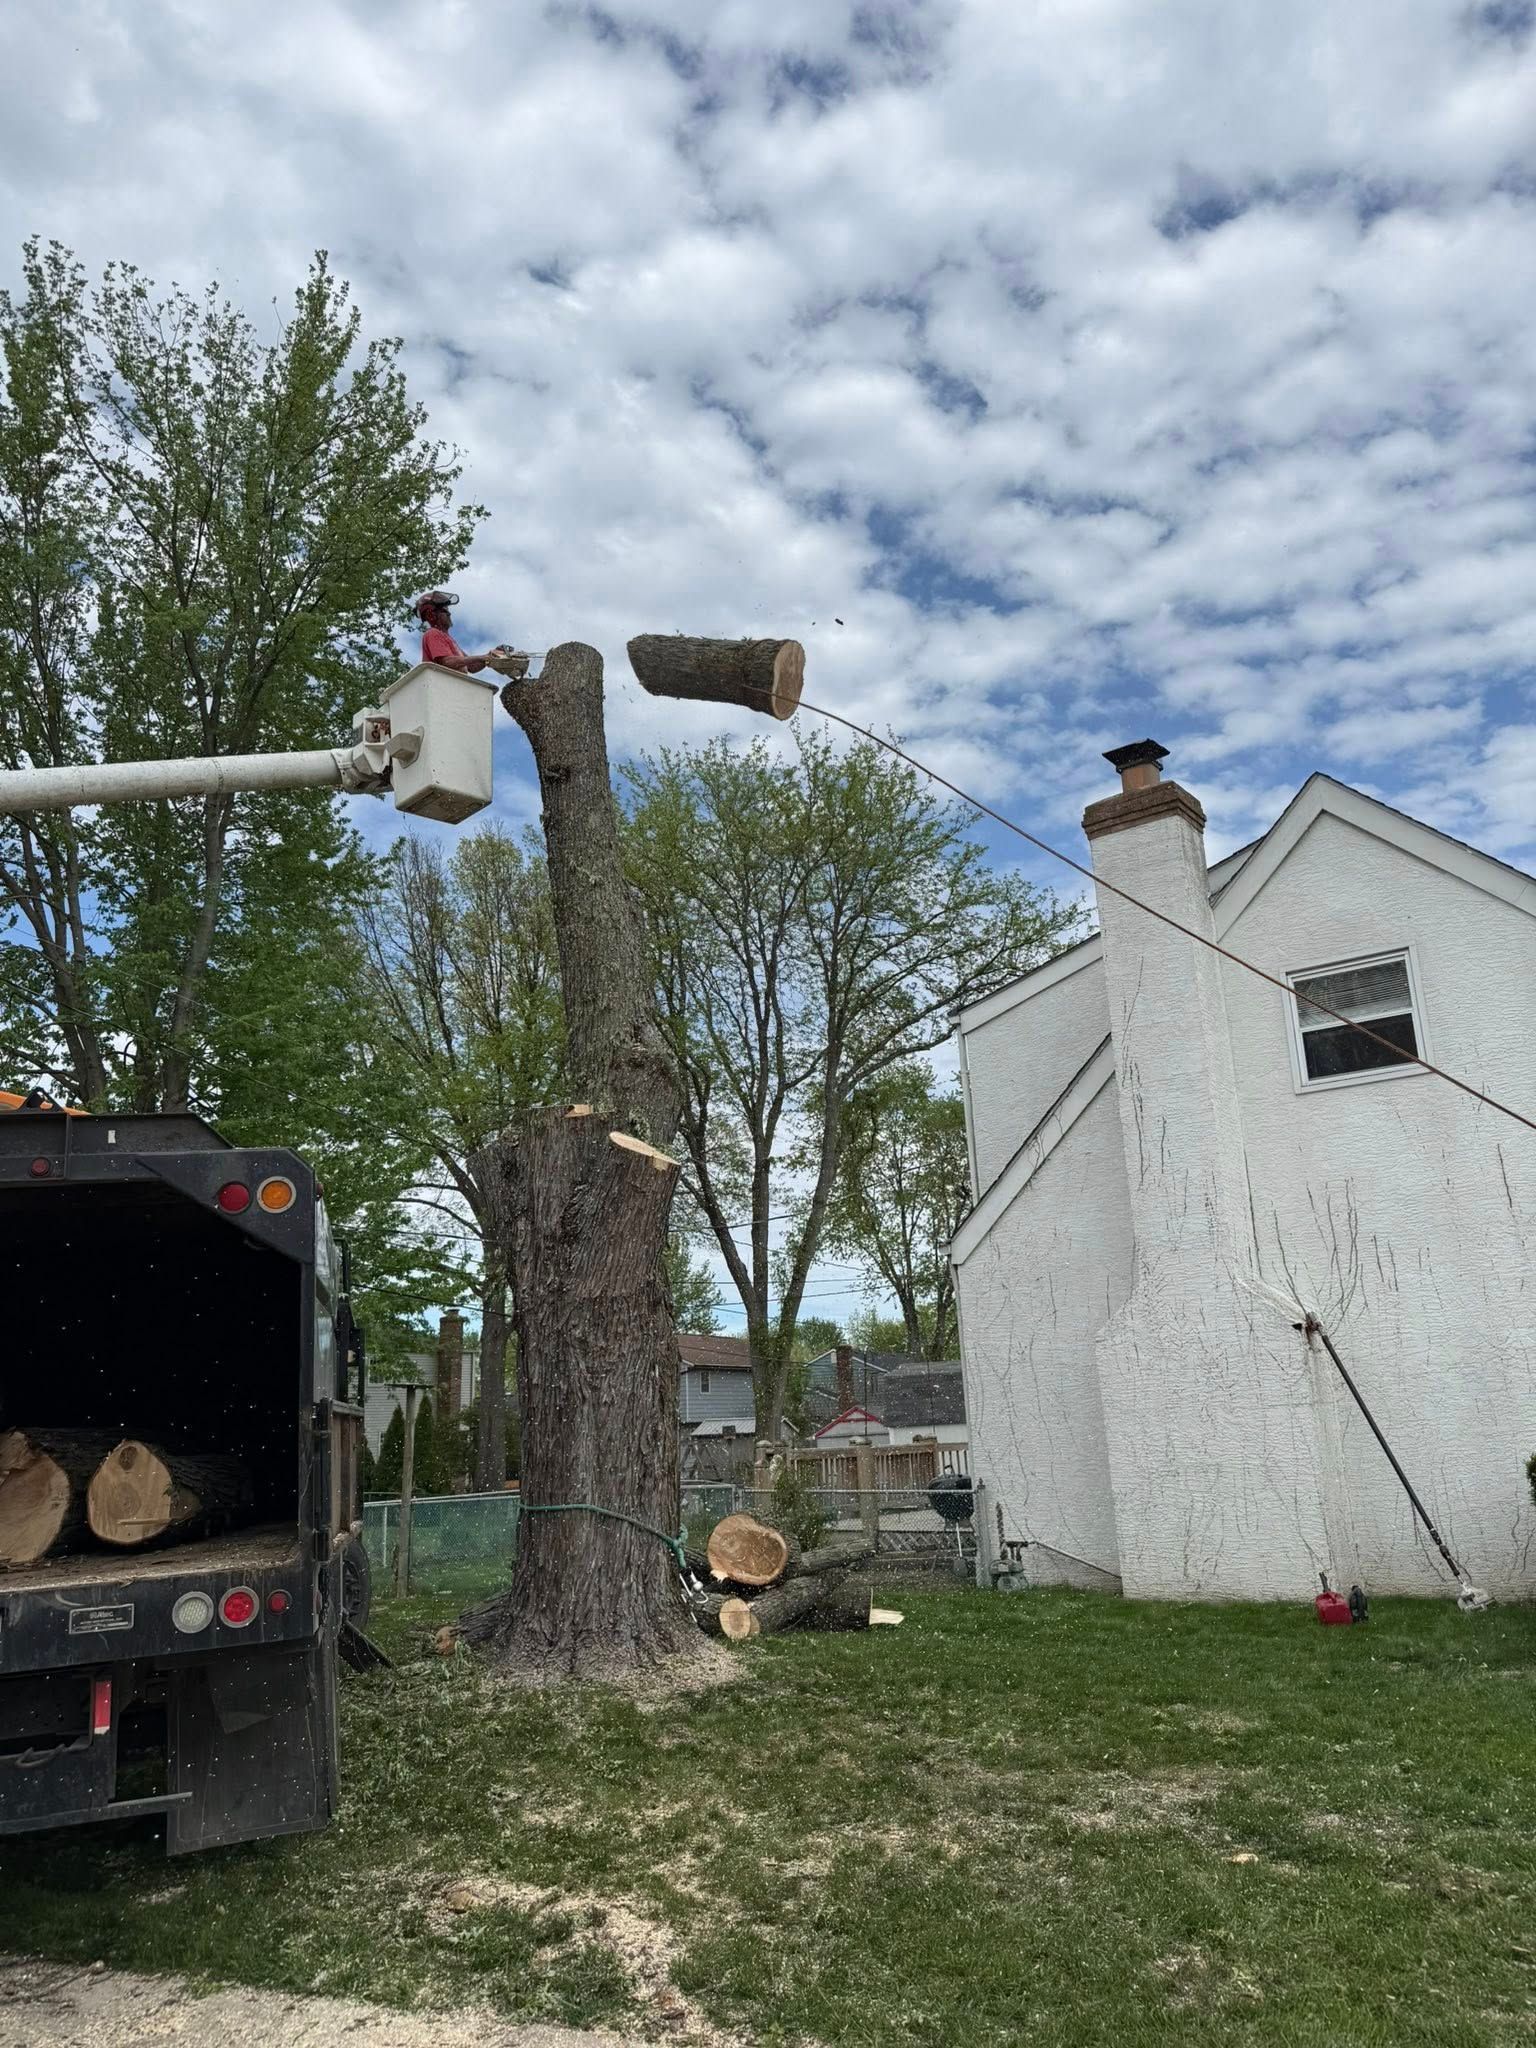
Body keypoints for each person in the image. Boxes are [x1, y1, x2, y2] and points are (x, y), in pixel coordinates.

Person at [415, 591, 496, 674]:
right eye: (444, 610)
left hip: (454, 684)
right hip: (441, 684)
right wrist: (482, 658)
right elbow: (447, 662)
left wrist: (490, 657)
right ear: (431, 615)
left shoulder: (448, 639)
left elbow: (472, 667)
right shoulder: (433, 633)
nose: (449, 613)